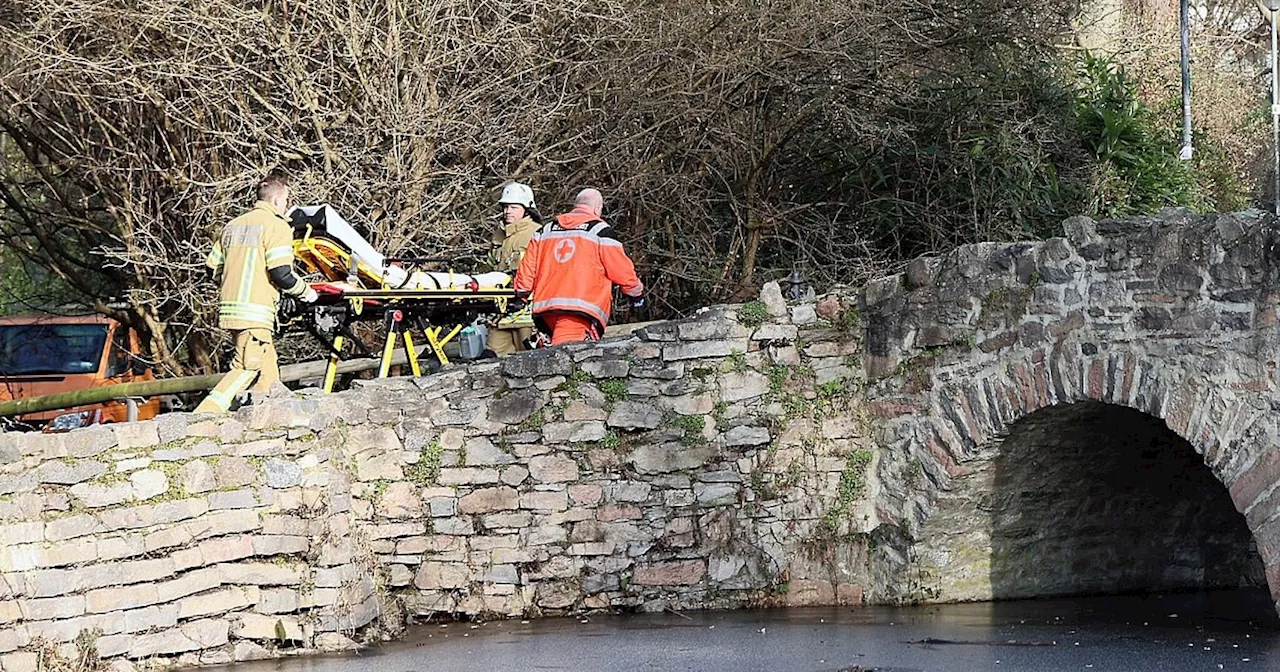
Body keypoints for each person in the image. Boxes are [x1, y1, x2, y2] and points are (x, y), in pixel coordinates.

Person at [195, 170, 317, 413]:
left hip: (232, 309)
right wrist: (307, 293)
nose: (286, 206)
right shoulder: (276, 226)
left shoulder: (232, 226)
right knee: (246, 367)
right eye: (285, 201)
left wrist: (233, 284)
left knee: (267, 372)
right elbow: (281, 273)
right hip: (256, 310)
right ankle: (203, 417)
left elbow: (211, 269)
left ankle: (274, 416)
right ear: (275, 201)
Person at [513, 188, 644, 344]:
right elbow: (622, 271)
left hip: (546, 310)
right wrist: (636, 295)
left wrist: (521, 295)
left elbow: (527, 270)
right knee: (569, 360)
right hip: (579, 311)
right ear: (597, 209)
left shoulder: (545, 230)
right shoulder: (600, 231)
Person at [485, 182, 540, 356]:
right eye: (505, 206)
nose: (508, 211)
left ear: (527, 208)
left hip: (528, 315)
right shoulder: (499, 235)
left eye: (514, 207)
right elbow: (489, 269)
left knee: (531, 359)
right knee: (489, 358)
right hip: (500, 313)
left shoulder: (537, 233)